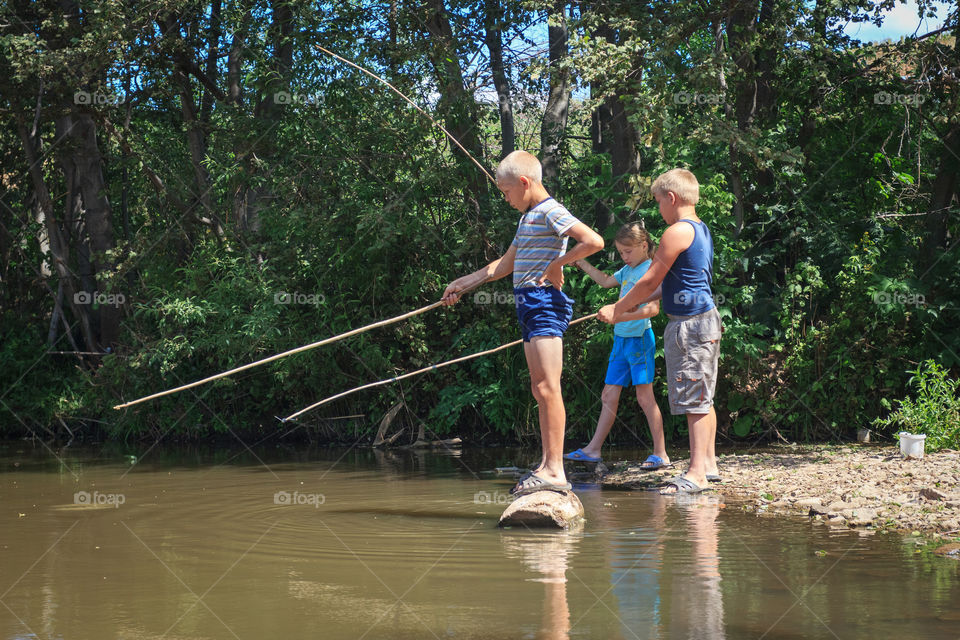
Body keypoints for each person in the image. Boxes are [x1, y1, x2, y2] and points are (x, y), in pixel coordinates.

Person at [442, 150, 604, 496]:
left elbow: (593, 241)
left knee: (549, 386)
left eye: (506, 192)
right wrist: (463, 284)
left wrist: (558, 264)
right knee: (538, 387)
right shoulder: (528, 217)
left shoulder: (550, 210)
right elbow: (503, 266)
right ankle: (547, 465)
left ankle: (556, 471)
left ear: (525, 183)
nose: (505, 199)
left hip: (544, 302)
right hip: (527, 303)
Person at [597, 168, 721, 494]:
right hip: (704, 320)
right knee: (703, 393)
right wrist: (629, 307)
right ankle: (708, 463)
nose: (658, 210)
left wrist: (618, 308)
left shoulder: (676, 232)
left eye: (658, 202)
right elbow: (665, 286)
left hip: (690, 325)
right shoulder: (701, 229)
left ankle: (695, 474)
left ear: (671, 198)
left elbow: (649, 280)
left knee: (694, 396)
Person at [564, 223, 669, 470]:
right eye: (621, 253)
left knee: (644, 398)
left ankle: (661, 453)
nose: (624, 257)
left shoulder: (649, 271)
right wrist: (581, 263)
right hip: (620, 340)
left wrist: (617, 315)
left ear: (644, 246)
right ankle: (593, 449)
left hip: (640, 339)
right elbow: (605, 281)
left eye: (628, 252)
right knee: (608, 395)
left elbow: (652, 309)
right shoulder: (627, 269)